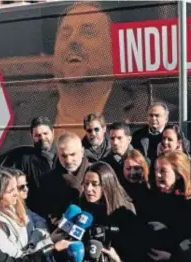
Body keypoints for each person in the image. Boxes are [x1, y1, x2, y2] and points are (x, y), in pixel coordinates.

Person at [52, 1, 148, 134]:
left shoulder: (143, 110)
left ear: (112, 48)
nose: (73, 40)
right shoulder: (25, 113)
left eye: (88, 33)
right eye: (65, 34)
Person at [78, 161, 150, 262]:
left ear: (106, 184)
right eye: (85, 183)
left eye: (94, 184)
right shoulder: (81, 207)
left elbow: (135, 251)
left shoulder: (124, 211)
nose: (88, 189)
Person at [0, 117, 58, 215]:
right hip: (37, 214)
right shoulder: (24, 159)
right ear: (32, 136)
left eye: (45, 133)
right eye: (38, 135)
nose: (42, 138)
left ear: (53, 132)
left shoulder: (63, 154)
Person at [150, 151, 191, 244]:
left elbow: (189, 235)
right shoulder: (154, 195)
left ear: (178, 174)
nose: (157, 175)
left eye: (163, 171)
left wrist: (166, 230)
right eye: (156, 170)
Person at [36, 132, 90, 221]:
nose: (68, 160)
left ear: (82, 151)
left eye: (72, 154)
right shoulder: (47, 181)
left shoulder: (97, 174)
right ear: (58, 154)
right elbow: (43, 211)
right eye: (64, 156)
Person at [132, 101, 170, 165]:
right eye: (151, 115)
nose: (153, 118)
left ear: (166, 119)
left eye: (157, 115)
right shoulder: (137, 136)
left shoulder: (173, 135)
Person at [121, 149, 151, 219]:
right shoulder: (118, 188)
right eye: (128, 168)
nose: (132, 172)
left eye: (136, 168)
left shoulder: (150, 188)